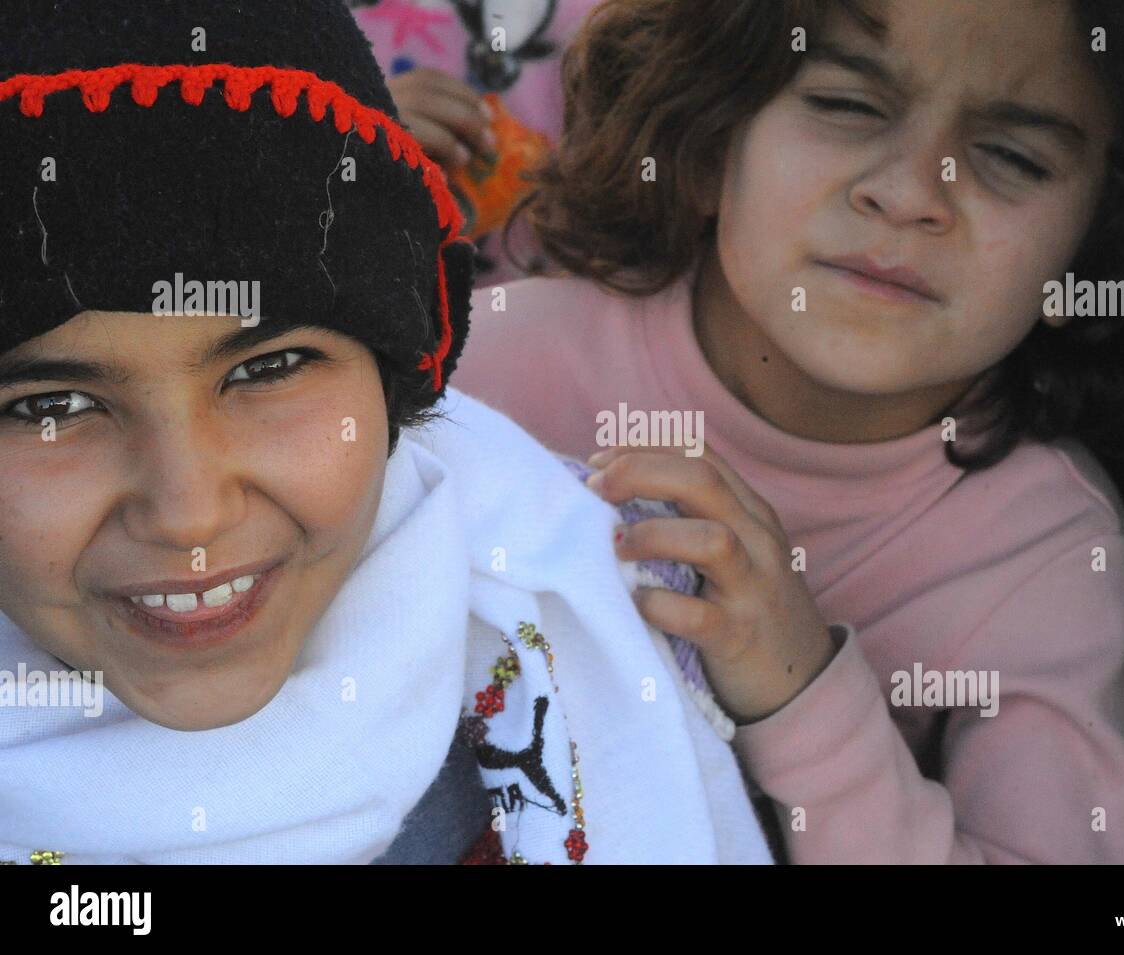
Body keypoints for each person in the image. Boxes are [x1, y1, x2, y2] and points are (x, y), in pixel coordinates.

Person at [452, 0, 1124, 863]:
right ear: (709, 139)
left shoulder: (1048, 554)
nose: (910, 193)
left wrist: (803, 705)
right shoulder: (481, 368)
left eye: (1012, 157)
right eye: (847, 105)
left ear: (1094, 243)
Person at [0, 0, 771, 866]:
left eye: (266, 369)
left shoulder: (607, 598)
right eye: (49, 407)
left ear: (395, 377)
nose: (187, 513)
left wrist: (799, 701)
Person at [346, 0, 605, 286]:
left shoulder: (628, 18)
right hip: (373, 310)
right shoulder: (303, 23)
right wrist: (339, 143)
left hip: (587, 311)